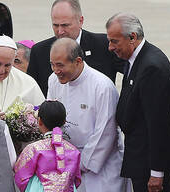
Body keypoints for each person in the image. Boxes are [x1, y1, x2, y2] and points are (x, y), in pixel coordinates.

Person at [106, 13, 170, 192]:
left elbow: (159, 124)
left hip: (149, 164)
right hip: (139, 157)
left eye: (114, 41)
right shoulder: (134, 59)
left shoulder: (152, 67)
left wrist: (157, 172)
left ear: (132, 37)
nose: (110, 47)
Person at [47, 38, 130, 192]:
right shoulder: (53, 80)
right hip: (65, 163)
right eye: (52, 64)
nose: (55, 70)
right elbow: (51, 118)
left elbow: (105, 133)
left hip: (100, 166)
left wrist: (80, 164)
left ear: (78, 61)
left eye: (60, 65)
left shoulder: (102, 86)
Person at [27, 0, 123, 96]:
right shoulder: (39, 51)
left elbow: (131, 74)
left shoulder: (104, 45)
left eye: (65, 25)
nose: (60, 31)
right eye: (55, 25)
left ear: (80, 21)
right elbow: (32, 93)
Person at [14, 100, 81, 192]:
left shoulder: (34, 149)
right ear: (64, 121)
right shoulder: (73, 150)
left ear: (40, 121)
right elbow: (77, 179)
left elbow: (20, 174)